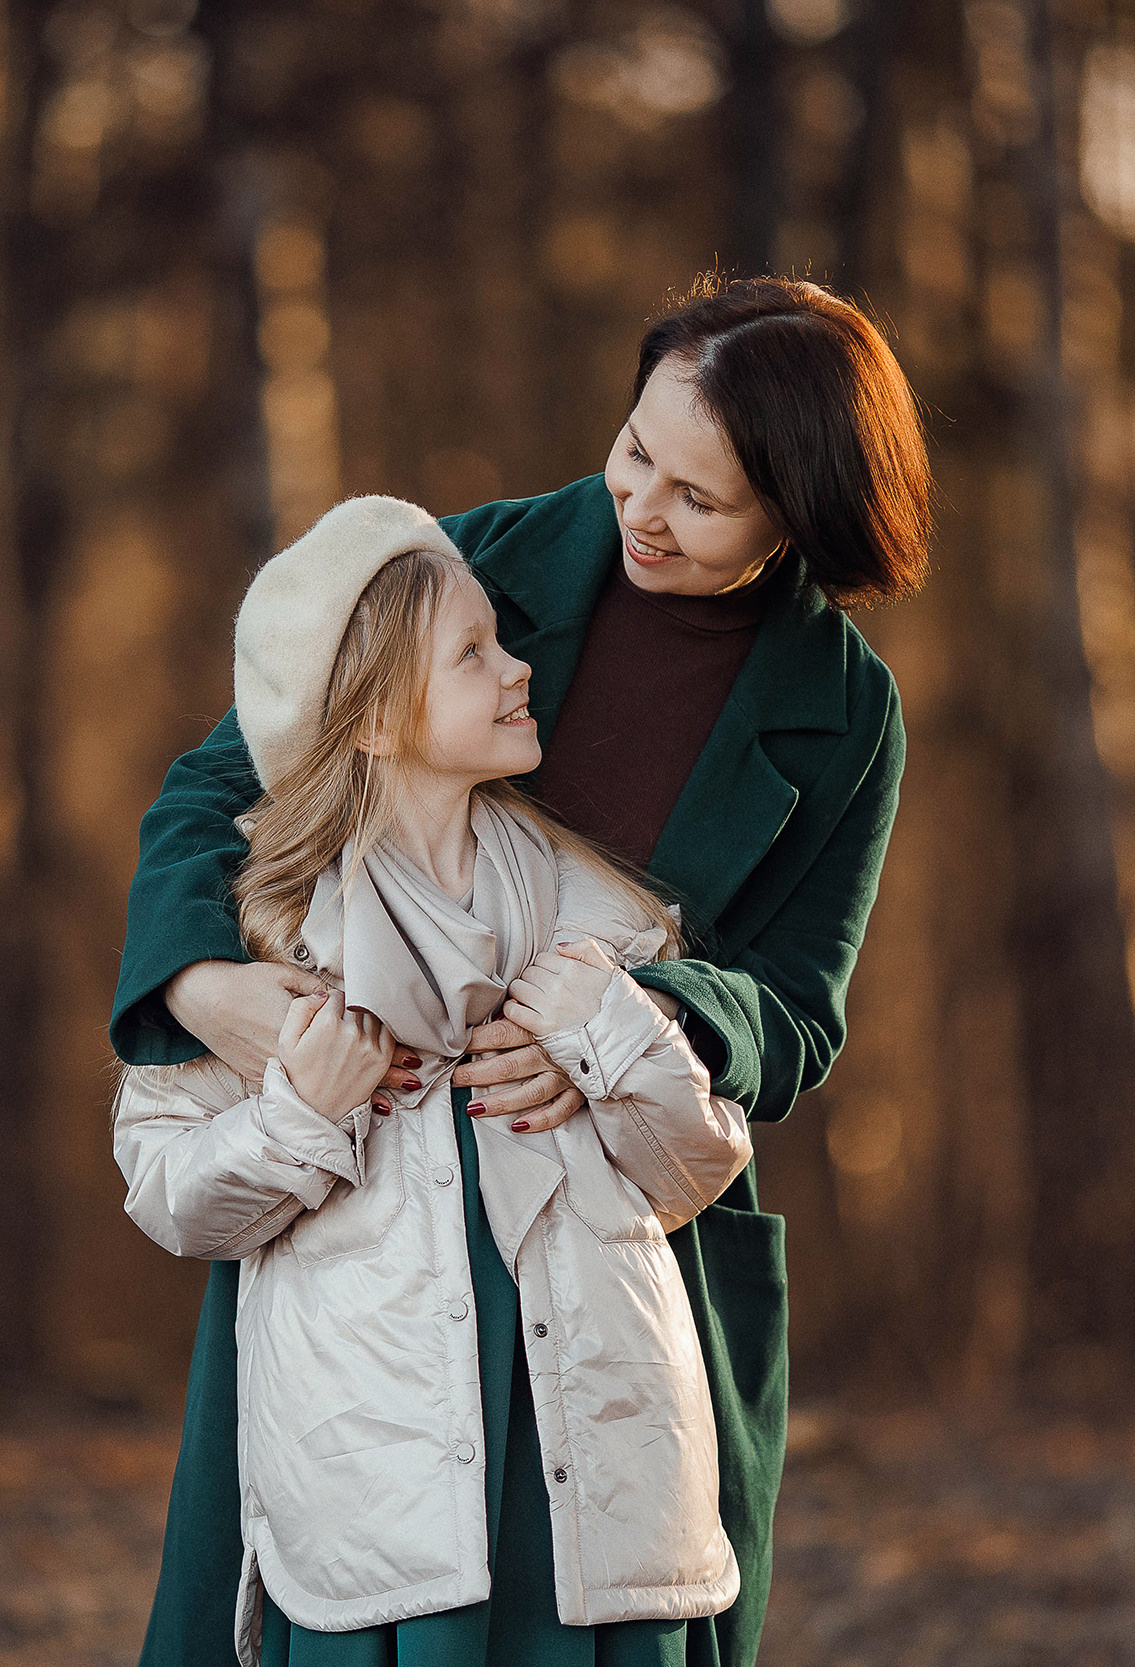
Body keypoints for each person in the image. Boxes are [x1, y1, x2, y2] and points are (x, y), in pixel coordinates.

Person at [115, 275, 933, 1667]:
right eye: (635, 453)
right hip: (372, 1209)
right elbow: (220, 785)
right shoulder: (477, 563)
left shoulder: (846, 713)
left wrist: (623, 1020)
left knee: (620, 1601)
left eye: (702, 497)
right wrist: (198, 982)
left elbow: (798, 1007)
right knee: (327, 1578)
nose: (643, 510)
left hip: (618, 1194)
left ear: (800, 512)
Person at [115, 494, 754, 1663]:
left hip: (593, 1449)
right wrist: (305, 1115)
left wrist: (610, 1033)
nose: (519, 670)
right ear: (369, 721)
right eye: (473, 653)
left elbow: (696, 1168)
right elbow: (164, 1185)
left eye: (501, 640)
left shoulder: (594, 912)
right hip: (377, 1463)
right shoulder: (268, 935)